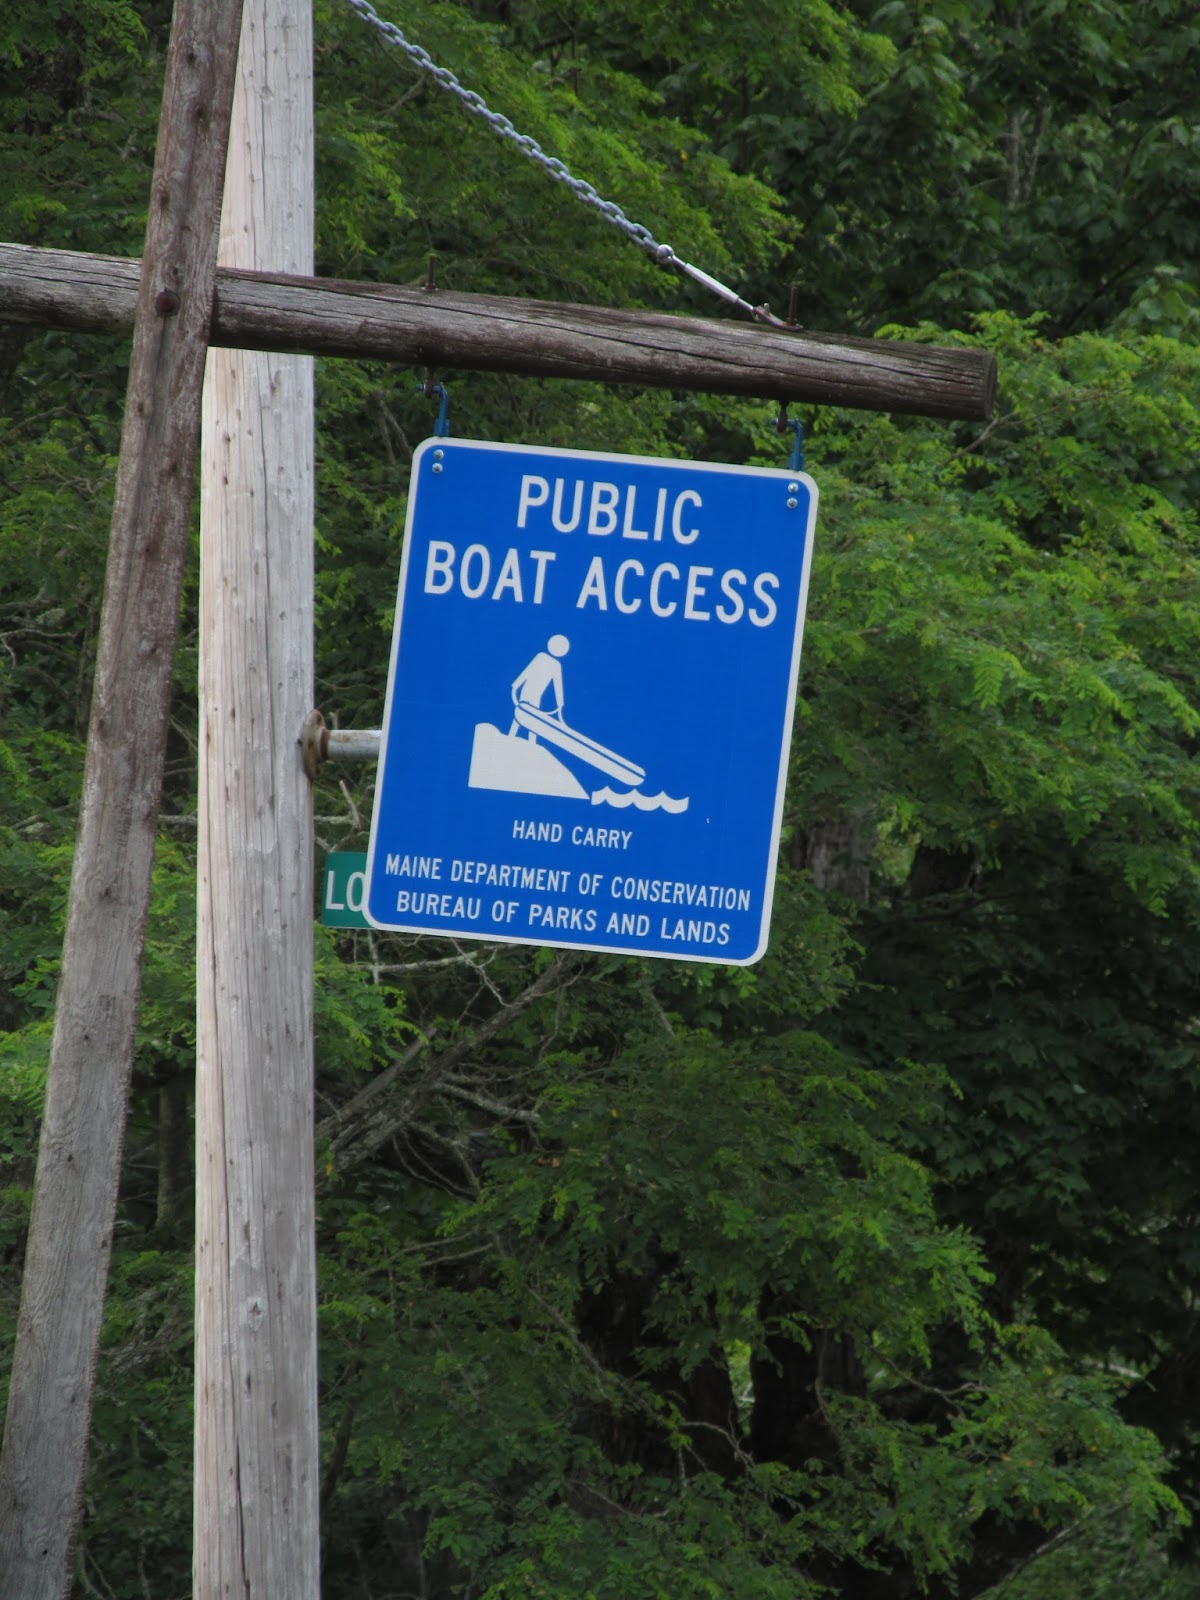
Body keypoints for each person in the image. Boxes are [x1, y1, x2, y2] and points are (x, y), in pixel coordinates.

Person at [510, 635, 569, 741]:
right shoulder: (541, 657)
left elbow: (557, 685)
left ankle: (531, 741)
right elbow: (527, 671)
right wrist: (516, 684)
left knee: (533, 719)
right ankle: (512, 736)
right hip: (527, 690)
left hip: (536, 694)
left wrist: (560, 703)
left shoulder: (555, 664)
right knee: (521, 713)